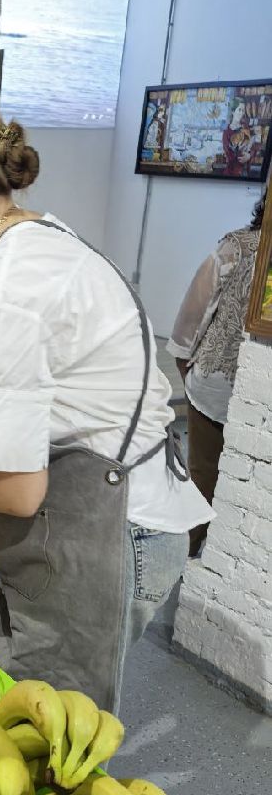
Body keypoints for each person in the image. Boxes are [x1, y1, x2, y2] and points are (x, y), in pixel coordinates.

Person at [0, 93, 213, 714]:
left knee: (38, 735)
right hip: (121, 515)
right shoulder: (41, 242)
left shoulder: (5, 292)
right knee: (8, 704)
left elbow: (19, 491)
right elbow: (58, 407)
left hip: (107, 536)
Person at [167, 188, 267, 555]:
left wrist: (187, 364)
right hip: (252, 398)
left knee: (203, 473)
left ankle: (187, 555)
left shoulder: (236, 248)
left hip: (214, 384)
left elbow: (193, 313)